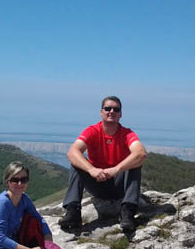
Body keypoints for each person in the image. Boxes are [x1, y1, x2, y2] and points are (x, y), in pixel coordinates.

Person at [59, 95, 147, 234]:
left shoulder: (127, 134)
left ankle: (127, 213)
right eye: (107, 108)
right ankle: (73, 213)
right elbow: (72, 152)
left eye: (116, 109)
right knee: (76, 163)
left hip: (119, 185)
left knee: (134, 164)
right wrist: (91, 170)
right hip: (97, 183)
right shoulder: (92, 131)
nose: (111, 111)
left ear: (120, 114)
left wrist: (116, 169)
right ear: (101, 112)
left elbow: (140, 153)